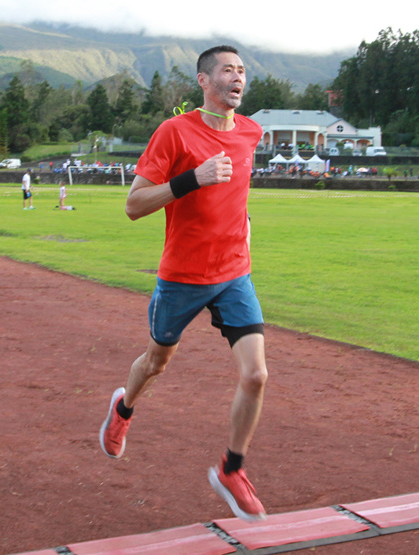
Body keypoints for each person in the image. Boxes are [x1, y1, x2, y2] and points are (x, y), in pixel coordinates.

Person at [98, 45, 268, 522]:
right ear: (203, 80)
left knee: (256, 374)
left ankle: (231, 469)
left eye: (242, 71)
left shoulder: (251, 131)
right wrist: (193, 178)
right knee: (156, 362)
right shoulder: (174, 133)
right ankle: (124, 408)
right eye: (228, 71)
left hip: (234, 273)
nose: (238, 78)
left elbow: (238, 194)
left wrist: (244, 226)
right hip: (182, 276)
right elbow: (134, 205)